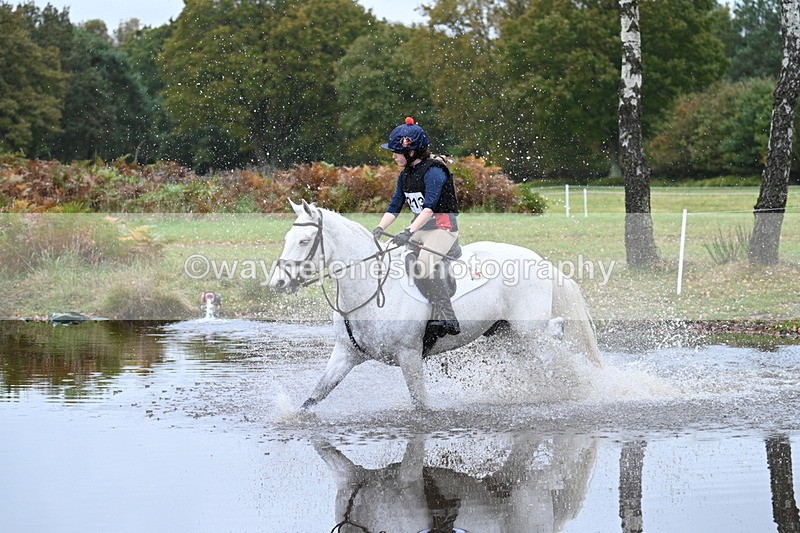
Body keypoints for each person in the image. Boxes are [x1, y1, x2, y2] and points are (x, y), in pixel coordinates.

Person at [372, 117, 461, 336]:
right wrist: (379, 229)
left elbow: (429, 208)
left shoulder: (434, 172)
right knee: (398, 260)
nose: (393, 156)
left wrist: (408, 232)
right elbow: (395, 206)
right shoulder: (406, 175)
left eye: (396, 152)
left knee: (422, 266)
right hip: (421, 229)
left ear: (411, 152)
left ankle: (447, 316)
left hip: (442, 228)